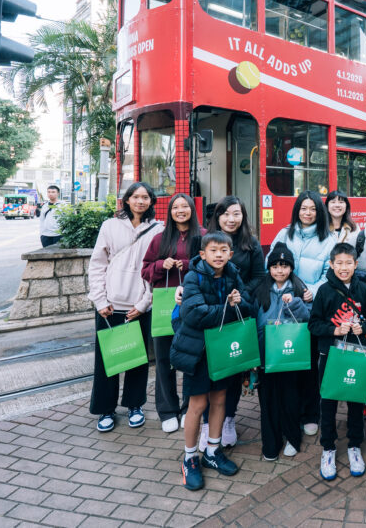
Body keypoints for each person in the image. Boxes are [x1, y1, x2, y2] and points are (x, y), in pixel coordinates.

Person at [172, 232, 254, 490]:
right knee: (197, 404)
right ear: (202, 254)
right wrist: (228, 308)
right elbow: (193, 314)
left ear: (231, 254)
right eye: (213, 250)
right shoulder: (193, 276)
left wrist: (240, 302)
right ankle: (189, 458)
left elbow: (248, 306)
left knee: (220, 400)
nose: (219, 255)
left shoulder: (233, 274)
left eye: (224, 250)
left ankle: (212, 451)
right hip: (198, 352)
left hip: (222, 349)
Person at [88, 182, 163, 433]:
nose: (140, 201)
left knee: (137, 360)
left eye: (145, 197)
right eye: (136, 197)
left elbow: (156, 272)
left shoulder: (158, 229)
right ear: (127, 200)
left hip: (138, 306)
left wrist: (144, 303)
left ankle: (134, 405)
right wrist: (100, 300)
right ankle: (105, 410)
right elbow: (97, 264)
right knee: (106, 361)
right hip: (109, 305)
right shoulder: (110, 226)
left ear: (151, 201)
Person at [308, 243, 366, 480]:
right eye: (338, 263)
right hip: (330, 354)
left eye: (348, 263)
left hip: (356, 354)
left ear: (355, 264)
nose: (343, 267)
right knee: (328, 401)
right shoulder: (324, 291)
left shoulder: (362, 289)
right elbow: (313, 324)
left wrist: (364, 327)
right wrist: (334, 330)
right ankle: (328, 447)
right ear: (331, 264)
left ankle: (354, 445)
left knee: (355, 400)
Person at [204, 196, 270, 448]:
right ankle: (207, 423)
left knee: (233, 369)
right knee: (209, 370)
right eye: (226, 214)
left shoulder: (250, 243)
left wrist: (240, 294)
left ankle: (229, 419)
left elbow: (259, 276)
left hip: (239, 312)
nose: (231, 219)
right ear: (217, 216)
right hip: (211, 312)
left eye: (236, 213)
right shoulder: (206, 239)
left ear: (243, 216)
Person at [269, 191, 334, 437]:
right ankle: (290, 413)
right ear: (297, 210)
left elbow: (330, 273)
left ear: (320, 212)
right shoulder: (284, 234)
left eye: (313, 209)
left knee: (309, 365)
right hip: (282, 308)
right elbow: (270, 264)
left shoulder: (328, 239)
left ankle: (310, 414)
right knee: (286, 362)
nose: (308, 213)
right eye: (303, 208)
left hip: (310, 310)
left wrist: (313, 291)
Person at [141, 193, 204, 434]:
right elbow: (145, 270)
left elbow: (213, 267)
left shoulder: (203, 236)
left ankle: (190, 407)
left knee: (192, 358)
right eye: (175, 207)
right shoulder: (160, 238)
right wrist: (161, 265)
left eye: (184, 206)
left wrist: (187, 265)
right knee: (164, 359)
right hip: (165, 306)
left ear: (192, 209)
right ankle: (167, 410)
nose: (180, 210)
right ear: (170, 211)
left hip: (194, 304)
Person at [252, 243, 310, 461]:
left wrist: (295, 303)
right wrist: (256, 356)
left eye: (284, 266)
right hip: (267, 355)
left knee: (290, 397)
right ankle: (271, 443)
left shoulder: (299, 289)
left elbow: (307, 318)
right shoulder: (260, 290)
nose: (280, 270)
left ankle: (293, 438)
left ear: (291, 268)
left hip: (290, 354)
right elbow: (255, 322)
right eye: (275, 266)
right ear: (269, 268)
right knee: (267, 399)